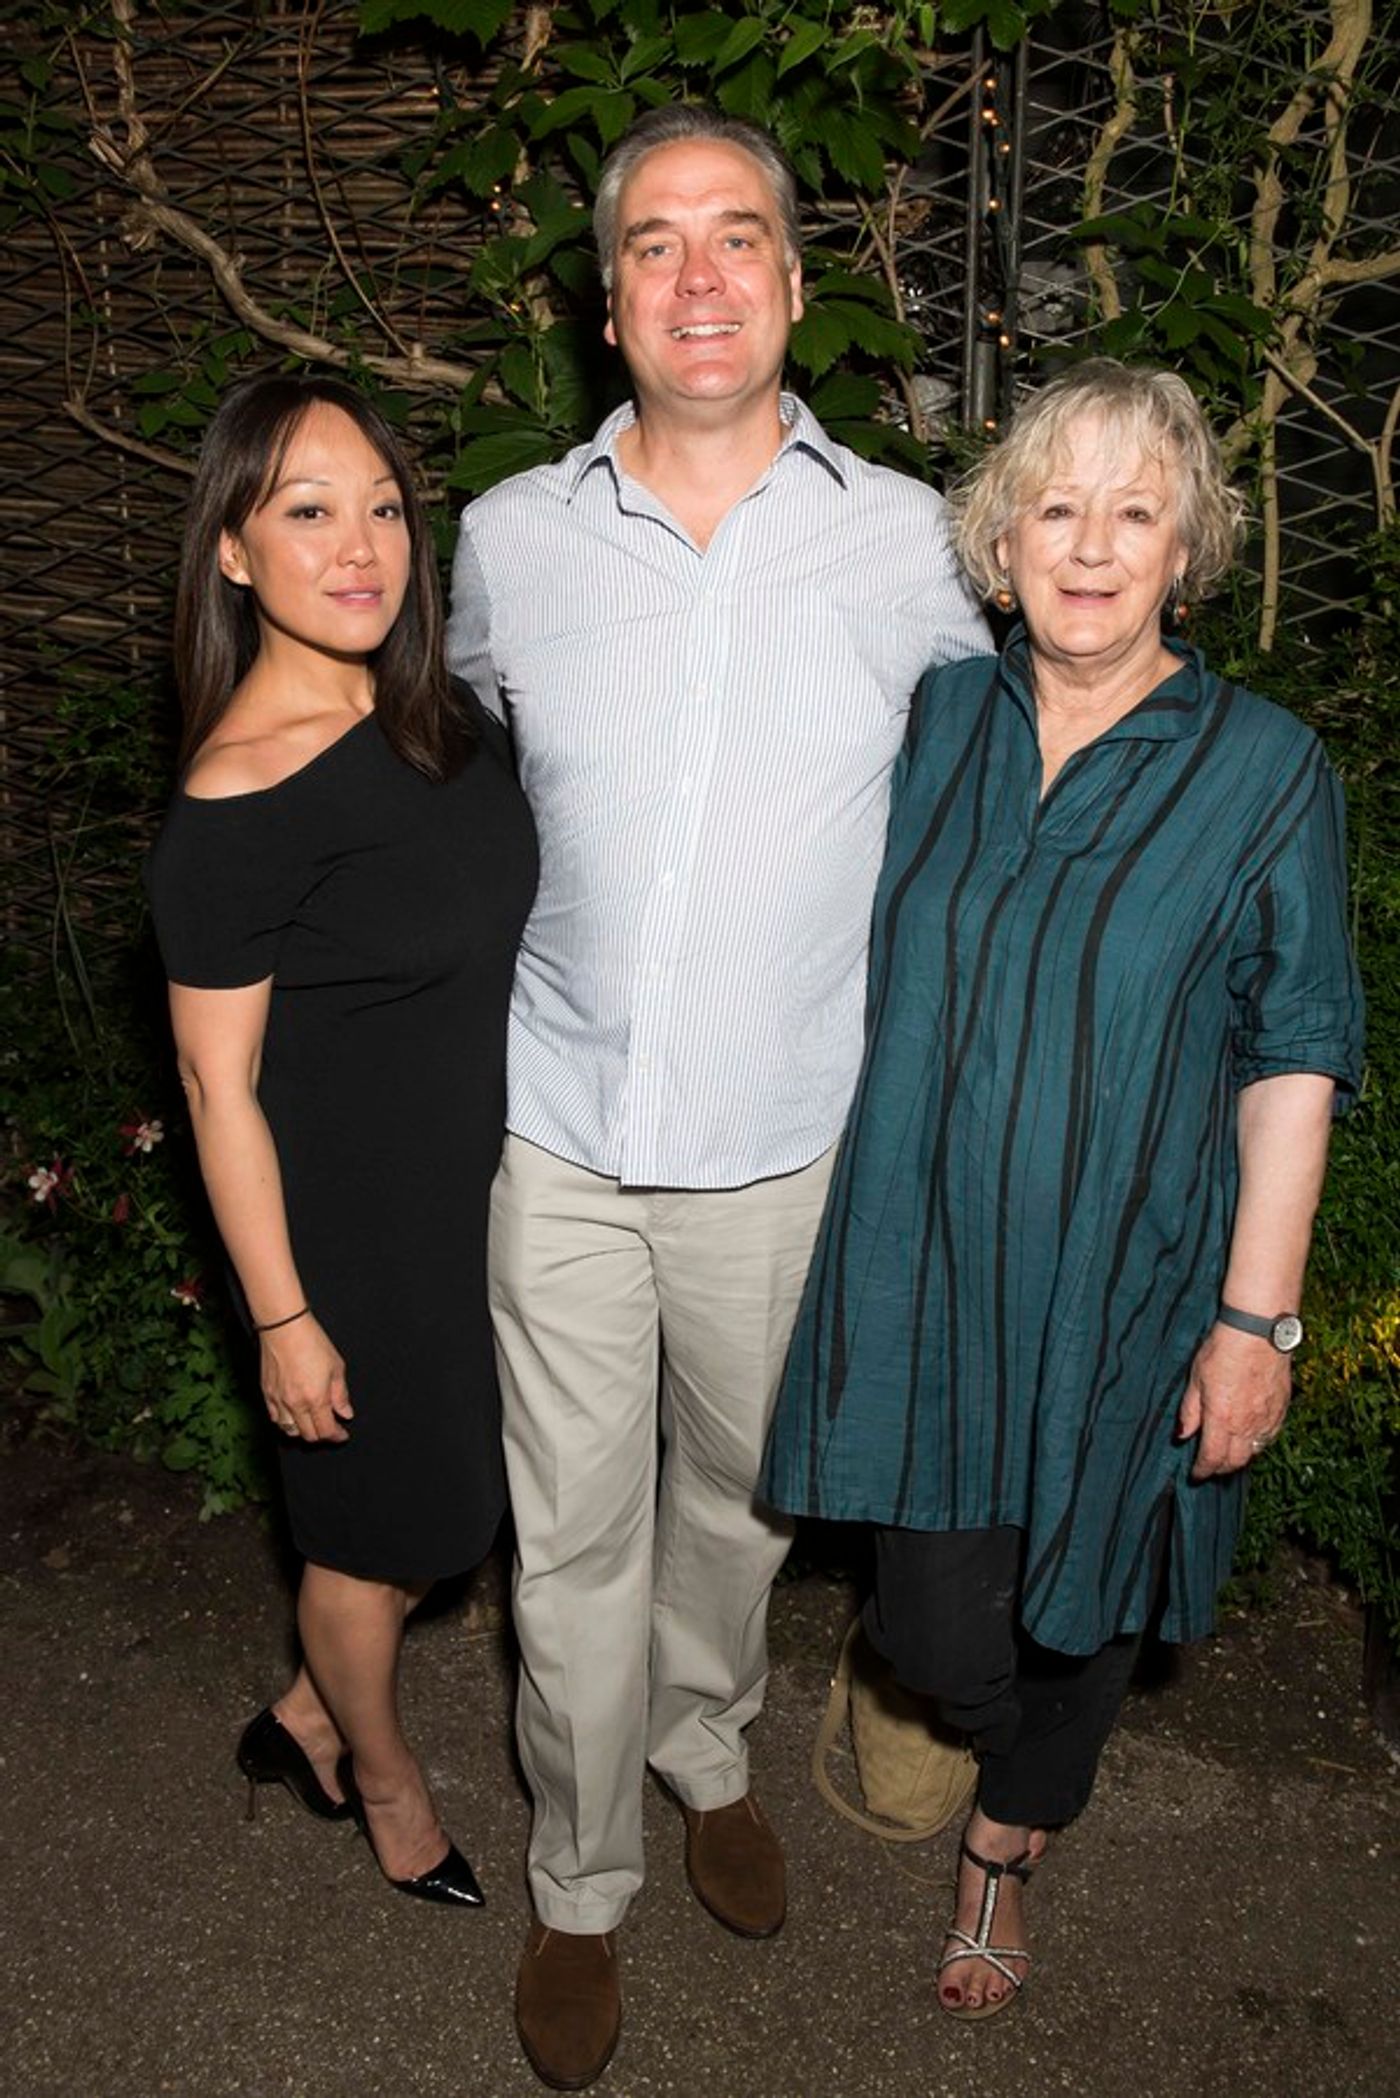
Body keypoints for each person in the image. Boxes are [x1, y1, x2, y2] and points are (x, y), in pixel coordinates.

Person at [447, 102, 989, 2089]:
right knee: (564, 1535)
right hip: (562, 1136)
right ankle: (579, 1883)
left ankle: (702, 1749)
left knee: (742, 1508)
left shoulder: (920, 542)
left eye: (736, 235)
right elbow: (462, 783)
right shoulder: (506, 541)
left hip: (788, 1152)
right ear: (606, 302)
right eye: (655, 242)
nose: (697, 273)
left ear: (788, 278)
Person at [762, 358, 1363, 2020]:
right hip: (925, 1265)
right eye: (1056, 504)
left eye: (1135, 511)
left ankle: (1005, 1851)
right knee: (946, 1632)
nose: (1090, 544)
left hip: (1133, 1278)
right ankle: (942, 1718)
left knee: (1088, 1593)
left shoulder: (1265, 771)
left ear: (1188, 551)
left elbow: (1294, 1060)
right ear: (999, 538)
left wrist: (1260, 1320)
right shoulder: (933, 720)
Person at [146, 374, 537, 1909]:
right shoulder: (236, 800)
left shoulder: (424, 712)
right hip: (355, 1236)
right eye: (308, 509)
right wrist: (286, 1319)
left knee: (472, 1505)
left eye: (381, 504)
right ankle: (375, 1774)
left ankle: (309, 1703)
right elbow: (213, 1088)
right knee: (384, 1540)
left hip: (484, 1193)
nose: (360, 542)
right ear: (234, 549)